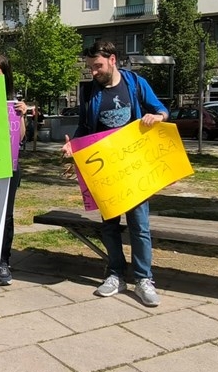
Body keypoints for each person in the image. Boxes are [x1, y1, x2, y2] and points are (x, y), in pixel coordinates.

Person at [61, 41, 169, 307]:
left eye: (97, 66)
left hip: (133, 167)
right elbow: (85, 129)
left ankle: (144, 279)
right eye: (90, 68)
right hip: (105, 169)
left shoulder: (135, 83)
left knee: (139, 226)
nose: (93, 72)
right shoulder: (90, 93)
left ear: (112, 59)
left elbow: (162, 110)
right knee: (109, 227)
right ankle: (115, 274)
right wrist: (71, 146)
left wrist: (157, 118)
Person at [0, 54, 27, 286]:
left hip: (7, 167)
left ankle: (2, 261)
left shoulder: (13, 103)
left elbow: (19, 138)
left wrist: (21, 115)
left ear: (5, 77)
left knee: (5, 215)